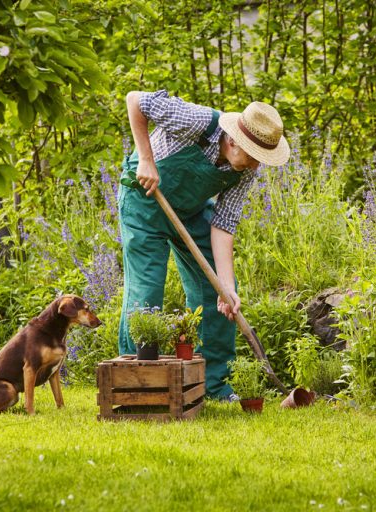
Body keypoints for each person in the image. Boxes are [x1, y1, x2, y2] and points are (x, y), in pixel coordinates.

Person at [117, 90, 290, 400]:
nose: (254, 167)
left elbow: (224, 224)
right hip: (144, 200)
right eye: (252, 157)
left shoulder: (245, 171)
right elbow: (135, 100)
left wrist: (225, 286)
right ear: (234, 141)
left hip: (190, 210)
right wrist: (145, 159)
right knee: (147, 293)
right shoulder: (197, 121)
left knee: (221, 293)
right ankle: (136, 382)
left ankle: (212, 385)